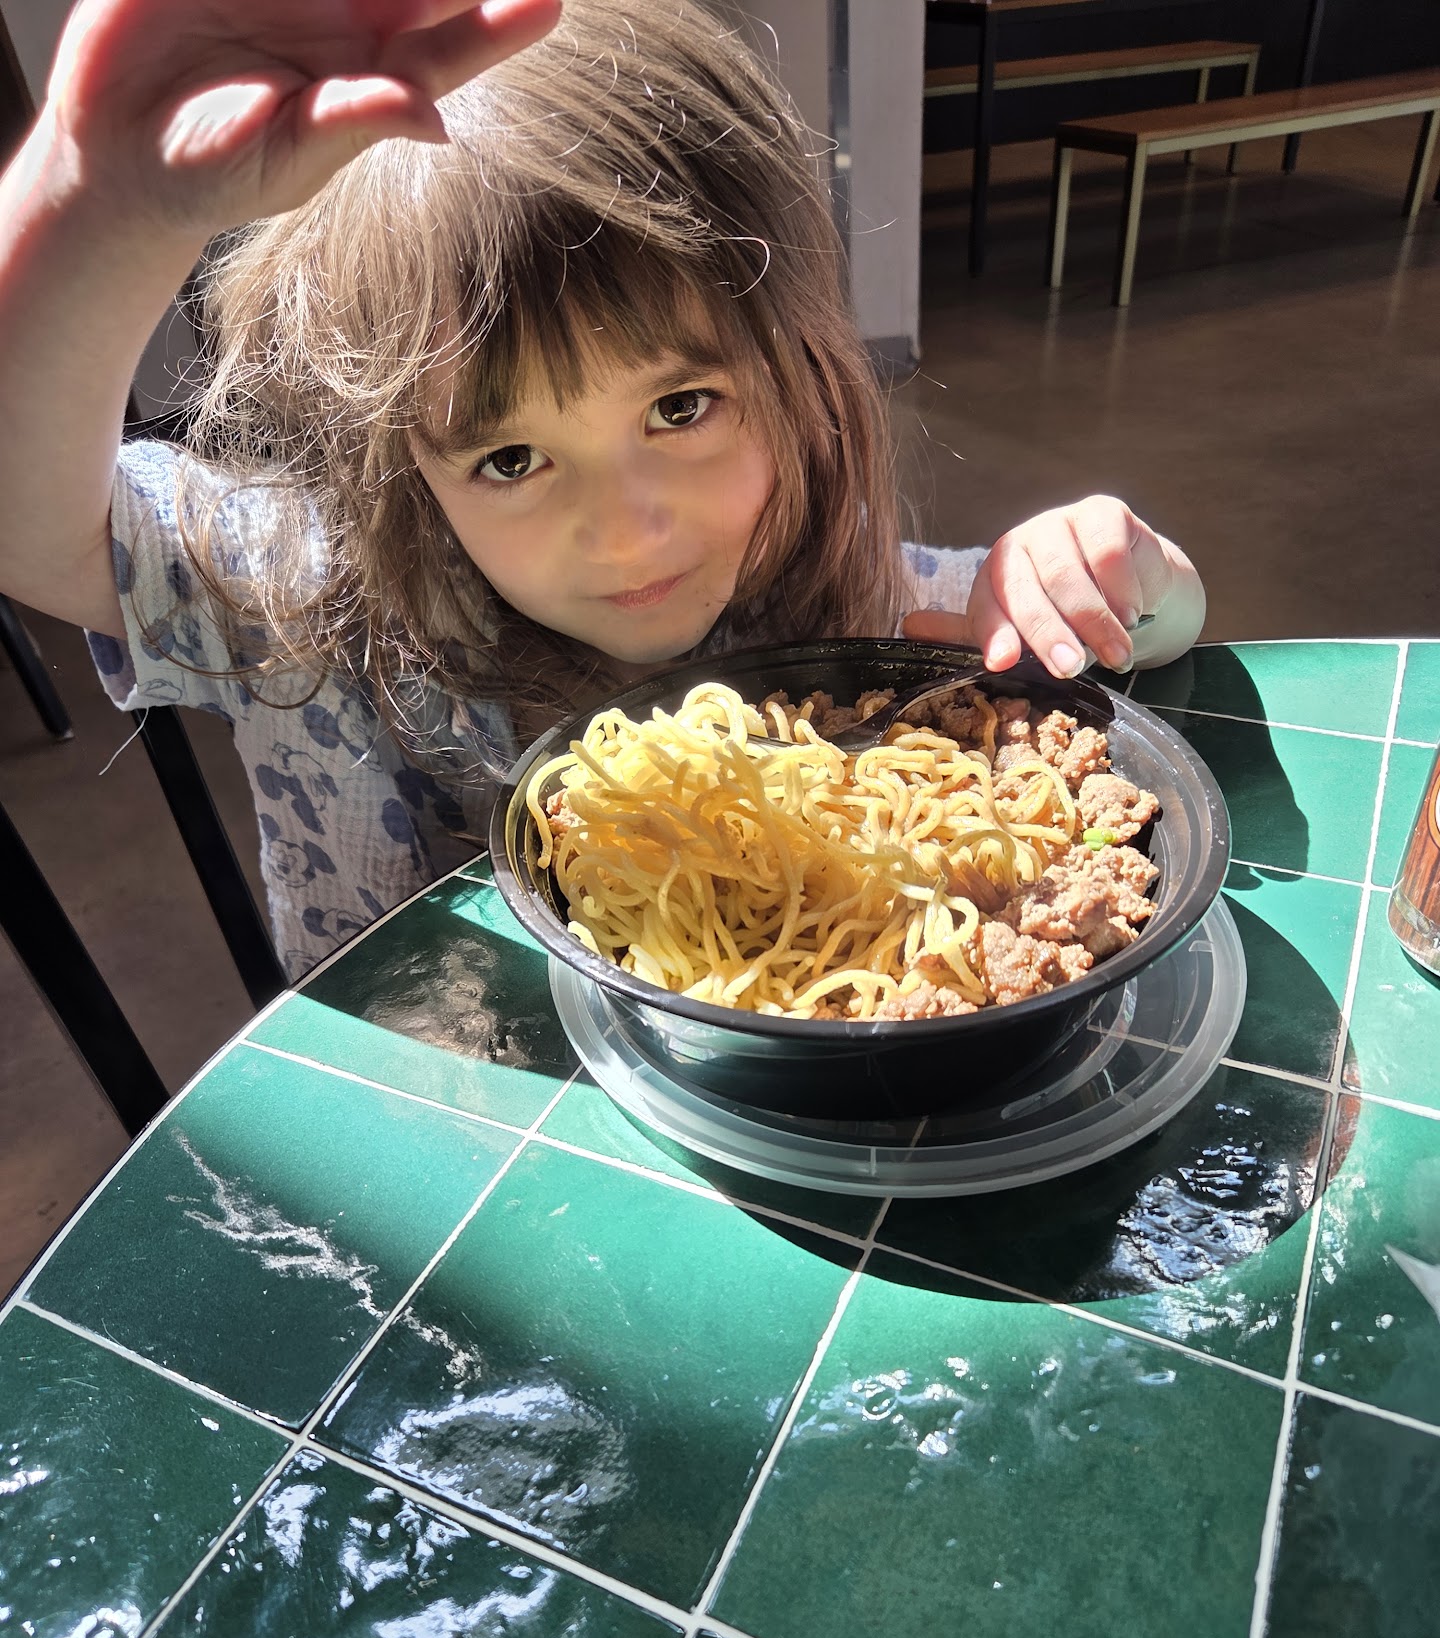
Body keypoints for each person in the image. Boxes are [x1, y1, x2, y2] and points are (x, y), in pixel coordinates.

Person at [0, 0, 1206, 980]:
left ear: (793, 370)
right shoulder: (308, 603)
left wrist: (1118, 576)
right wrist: (89, 200)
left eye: (681, 409)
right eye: (508, 460)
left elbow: (1141, 630)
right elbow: (29, 525)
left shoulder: (835, 588)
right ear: (398, 460)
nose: (627, 532)